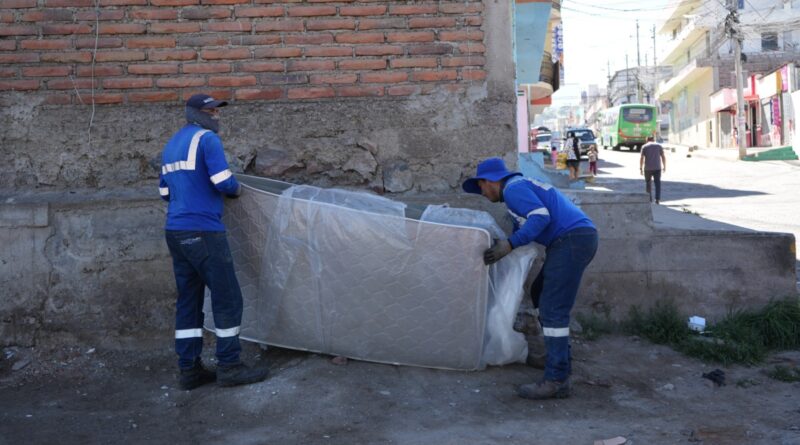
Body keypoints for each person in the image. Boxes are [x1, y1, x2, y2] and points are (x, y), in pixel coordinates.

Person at [462, 157, 598, 400]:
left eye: (480, 186)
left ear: (491, 180)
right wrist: (507, 247)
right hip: (575, 238)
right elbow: (526, 227)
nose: (481, 192)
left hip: (571, 240)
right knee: (539, 292)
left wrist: (510, 244)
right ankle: (558, 359)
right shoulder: (517, 189)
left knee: (552, 307)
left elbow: (541, 217)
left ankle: (556, 379)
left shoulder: (514, 190)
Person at [159, 94, 270, 390]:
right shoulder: (207, 140)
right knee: (228, 297)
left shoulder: (171, 146)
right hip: (204, 230)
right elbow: (224, 183)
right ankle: (230, 365)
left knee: (189, 301)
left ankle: (189, 370)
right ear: (195, 113)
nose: (216, 116)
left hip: (175, 231)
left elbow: (165, 194)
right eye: (210, 111)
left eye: (217, 111)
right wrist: (238, 192)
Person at [639, 135, 666, 204]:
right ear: (653, 140)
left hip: (648, 169)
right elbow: (663, 157)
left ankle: (649, 199)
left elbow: (641, 158)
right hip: (657, 168)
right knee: (657, 183)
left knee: (648, 183)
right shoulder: (659, 146)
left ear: (647, 140)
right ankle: (657, 199)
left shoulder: (644, 146)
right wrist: (664, 166)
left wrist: (640, 168)